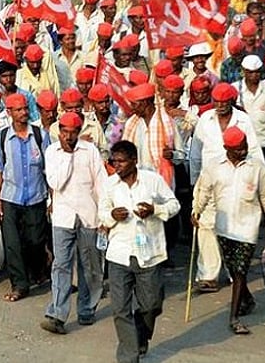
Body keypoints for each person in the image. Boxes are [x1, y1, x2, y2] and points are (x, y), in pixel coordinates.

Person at [191, 127, 265, 335]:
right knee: (233, 269)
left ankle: (234, 317)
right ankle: (247, 299)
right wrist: (196, 210)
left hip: (247, 229)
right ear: (226, 149)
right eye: (238, 149)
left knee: (240, 272)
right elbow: (204, 190)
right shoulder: (214, 168)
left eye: (244, 147)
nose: (243, 151)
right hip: (223, 227)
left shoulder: (257, 168)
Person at [99, 140, 180, 363]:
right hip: (119, 253)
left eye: (121, 161)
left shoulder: (152, 181)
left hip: (149, 253)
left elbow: (174, 205)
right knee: (120, 309)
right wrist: (111, 216)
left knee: (151, 305)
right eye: (113, 161)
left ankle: (140, 338)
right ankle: (129, 355)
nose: (117, 165)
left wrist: (155, 210)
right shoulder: (109, 185)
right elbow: (102, 213)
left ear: (134, 161)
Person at [41, 112, 107, 334]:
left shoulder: (90, 151)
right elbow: (55, 182)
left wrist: (104, 215)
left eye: (73, 133)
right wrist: (68, 156)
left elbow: (101, 183)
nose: (68, 137)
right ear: (59, 132)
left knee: (90, 266)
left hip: (89, 214)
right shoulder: (52, 152)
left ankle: (87, 309)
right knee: (61, 264)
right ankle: (57, 314)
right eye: (65, 133)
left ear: (79, 132)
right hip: (62, 216)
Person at [0, 92, 49, 302]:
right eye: (18, 110)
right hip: (10, 198)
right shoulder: (2, 137)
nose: (23, 113)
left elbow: (48, 169)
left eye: (25, 108)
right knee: (12, 244)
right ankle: (19, 284)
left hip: (36, 197)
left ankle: (38, 270)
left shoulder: (40, 135)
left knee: (35, 240)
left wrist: (51, 199)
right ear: (9, 112)